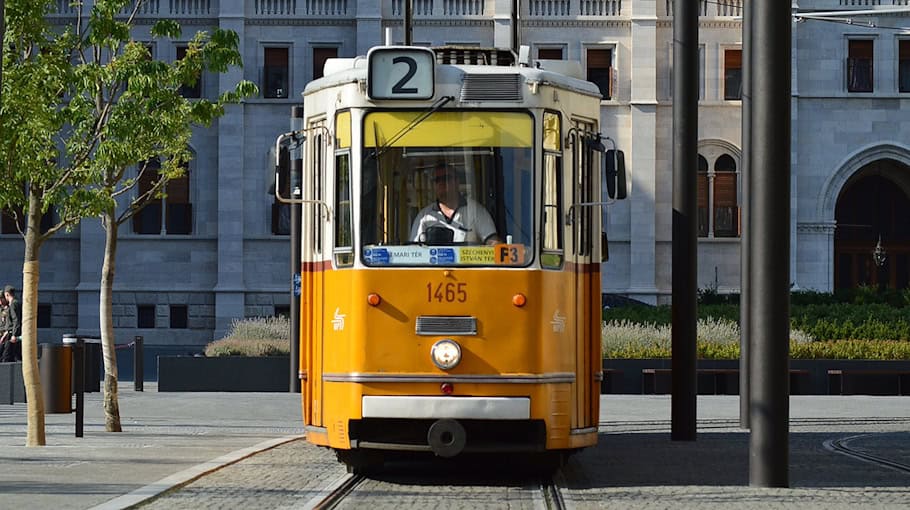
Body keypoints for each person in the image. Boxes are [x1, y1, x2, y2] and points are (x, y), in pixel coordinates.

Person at [410, 163, 500, 245]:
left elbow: (494, 243)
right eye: (437, 180)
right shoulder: (424, 216)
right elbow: (414, 252)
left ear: (457, 182)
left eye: (446, 178)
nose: (442, 183)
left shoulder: (476, 211)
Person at [0, 285, 22, 362]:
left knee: (6, 357)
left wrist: (14, 335)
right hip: (9, 333)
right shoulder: (16, 302)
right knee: (13, 356)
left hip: (11, 334)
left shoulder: (13, 304)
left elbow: (15, 320)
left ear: (7, 294)